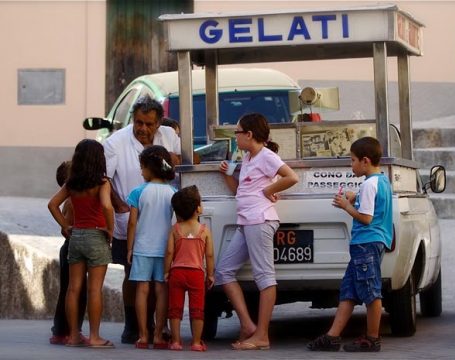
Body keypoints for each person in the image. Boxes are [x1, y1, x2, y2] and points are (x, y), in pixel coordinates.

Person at [216, 113, 299, 350]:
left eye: (238, 132)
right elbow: (240, 191)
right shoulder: (249, 158)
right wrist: (227, 174)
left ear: (249, 134)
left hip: (259, 220)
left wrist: (267, 191)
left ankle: (262, 335)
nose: (236, 136)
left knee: (264, 276)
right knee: (224, 271)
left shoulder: (266, 156)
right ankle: (249, 326)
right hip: (247, 221)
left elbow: (291, 177)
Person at [104, 95, 181, 343]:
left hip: (163, 223)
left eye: (149, 124)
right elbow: (103, 179)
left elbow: (181, 164)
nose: (143, 129)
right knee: (132, 275)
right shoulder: (115, 142)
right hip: (130, 222)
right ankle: (133, 326)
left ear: (159, 123)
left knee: (162, 279)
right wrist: (119, 204)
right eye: (138, 123)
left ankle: (158, 327)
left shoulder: (169, 136)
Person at [307, 136, 392, 352]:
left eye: (352, 160)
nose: (351, 164)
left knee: (371, 292)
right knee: (349, 291)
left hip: (367, 243)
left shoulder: (370, 184)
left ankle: (373, 338)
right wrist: (356, 197)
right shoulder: (381, 181)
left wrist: (346, 205)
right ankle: (332, 336)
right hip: (368, 244)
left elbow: (366, 218)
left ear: (365, 161)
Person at [48, 139, 114, 348]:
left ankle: (74, 335)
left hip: (76, 237)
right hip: (96, 236)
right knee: (94, 289)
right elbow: (107, 206)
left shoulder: (72, 184)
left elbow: (52, 204)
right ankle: (95, 336)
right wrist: (110, 230)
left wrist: (66, 226)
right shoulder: (103, 183)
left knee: (73, 288)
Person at [126, 145, 176, 349]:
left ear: (149, 168)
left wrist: (129, 248)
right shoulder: (173, 192)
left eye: (142, 167)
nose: (140, 171)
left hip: (143, 248)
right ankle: (158, 334)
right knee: (162, 290)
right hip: (165, 250)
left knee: (142, 290)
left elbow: (131, 223)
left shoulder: (138, 192)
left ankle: (143, 335)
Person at [164, 185, 215, 352]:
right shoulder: (204, 231)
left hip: (177, 273)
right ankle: (196, 342)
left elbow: (170, 252)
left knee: (175, 308)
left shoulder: (175, 229)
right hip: (196, 274)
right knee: (197, 309)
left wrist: (166, 271)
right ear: (198, 208)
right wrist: (211, 275)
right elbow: (209, 256)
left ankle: (176, 342)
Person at [49, 161, 87, 345]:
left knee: (68, 289)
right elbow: (66, 228)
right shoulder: (72, 202)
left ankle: (60, 330)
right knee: (76, 291)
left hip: (68, 247)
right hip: (72, 246)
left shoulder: (69, 201)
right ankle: (70, 330)